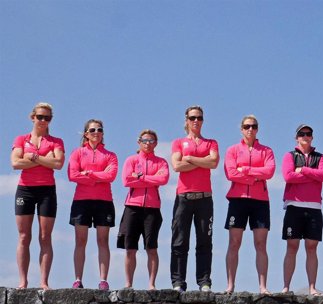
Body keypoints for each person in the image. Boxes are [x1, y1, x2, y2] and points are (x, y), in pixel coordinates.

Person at [11, 102, 65, 289]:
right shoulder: (21, 139)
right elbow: (16, 163)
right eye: (40, 117)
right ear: (33, 117)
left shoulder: (56, 142)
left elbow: (58, 164)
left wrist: (33, 157)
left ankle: (43, 282)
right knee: (24, 236)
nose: (43, 121)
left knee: (45, 236)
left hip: (47, 190)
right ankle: (23, 281)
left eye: (47, 117)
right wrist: (44, 160)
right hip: (25, 189)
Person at [224, 115, 275, 294]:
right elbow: (230, 173)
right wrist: (256, 176)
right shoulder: (232, 150)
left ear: (257, 129)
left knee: (261, 244)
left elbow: (269, 171)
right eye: (247, 126)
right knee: (234, 243)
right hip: (237, 199)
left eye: (253, 126)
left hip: (260, 201)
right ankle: (230, 285)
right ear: (241, 129)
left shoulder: (266, 151)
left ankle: (263, 286)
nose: (250, 130)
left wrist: (245, 170)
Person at [170, 105, 219, 292]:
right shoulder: (178, 142)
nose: (196, 121)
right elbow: (176, 165)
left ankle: (204, 282)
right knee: (180, 241)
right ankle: (178, 282)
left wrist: (189, 158)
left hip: (205, 198)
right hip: (184, 197)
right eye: (192, 118)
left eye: (199, 117)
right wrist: (201, 161)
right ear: (186, 120)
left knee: (205, 241)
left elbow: (213, 162)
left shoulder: (211, 143)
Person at [68, 119, 118, 290]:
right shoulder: (77, 153)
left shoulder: (110, 155)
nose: (96, 132)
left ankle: (103, 280)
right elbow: (73, 175)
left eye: (99, 129)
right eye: (92, 129)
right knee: (80, 241)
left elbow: (111, 176)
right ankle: (77, 279)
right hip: (81, 201)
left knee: (103, 241)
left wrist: (89, 174)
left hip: (104, 201)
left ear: (103, 133)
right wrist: (98, 177)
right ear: (86, 133)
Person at [280, 124, 323, 295]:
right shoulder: (290, 155)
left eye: (308, 134)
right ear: (296, 137)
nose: (305, 136)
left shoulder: (321, 157)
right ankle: (286, 286)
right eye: (302, 134)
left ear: (312, 137)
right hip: (294, 206)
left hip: (314, 208)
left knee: (311, 248)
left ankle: (312, 287)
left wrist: (303, 170)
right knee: (292, 246)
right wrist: (312, 176)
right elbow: (288, 176)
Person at [117, 130, 169, 290]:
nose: (148, 143)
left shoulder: (161, 162)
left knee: (151, 247)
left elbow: (163, 179)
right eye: (145, 140)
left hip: (153, 208)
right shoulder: (131, 160)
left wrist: (140, 177)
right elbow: (127, 180)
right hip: (132, 207)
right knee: (130, 248)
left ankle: (151, 284)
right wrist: (150, 179)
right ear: (138, 142)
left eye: (151, 140)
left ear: (156, 143)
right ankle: (128, 284)